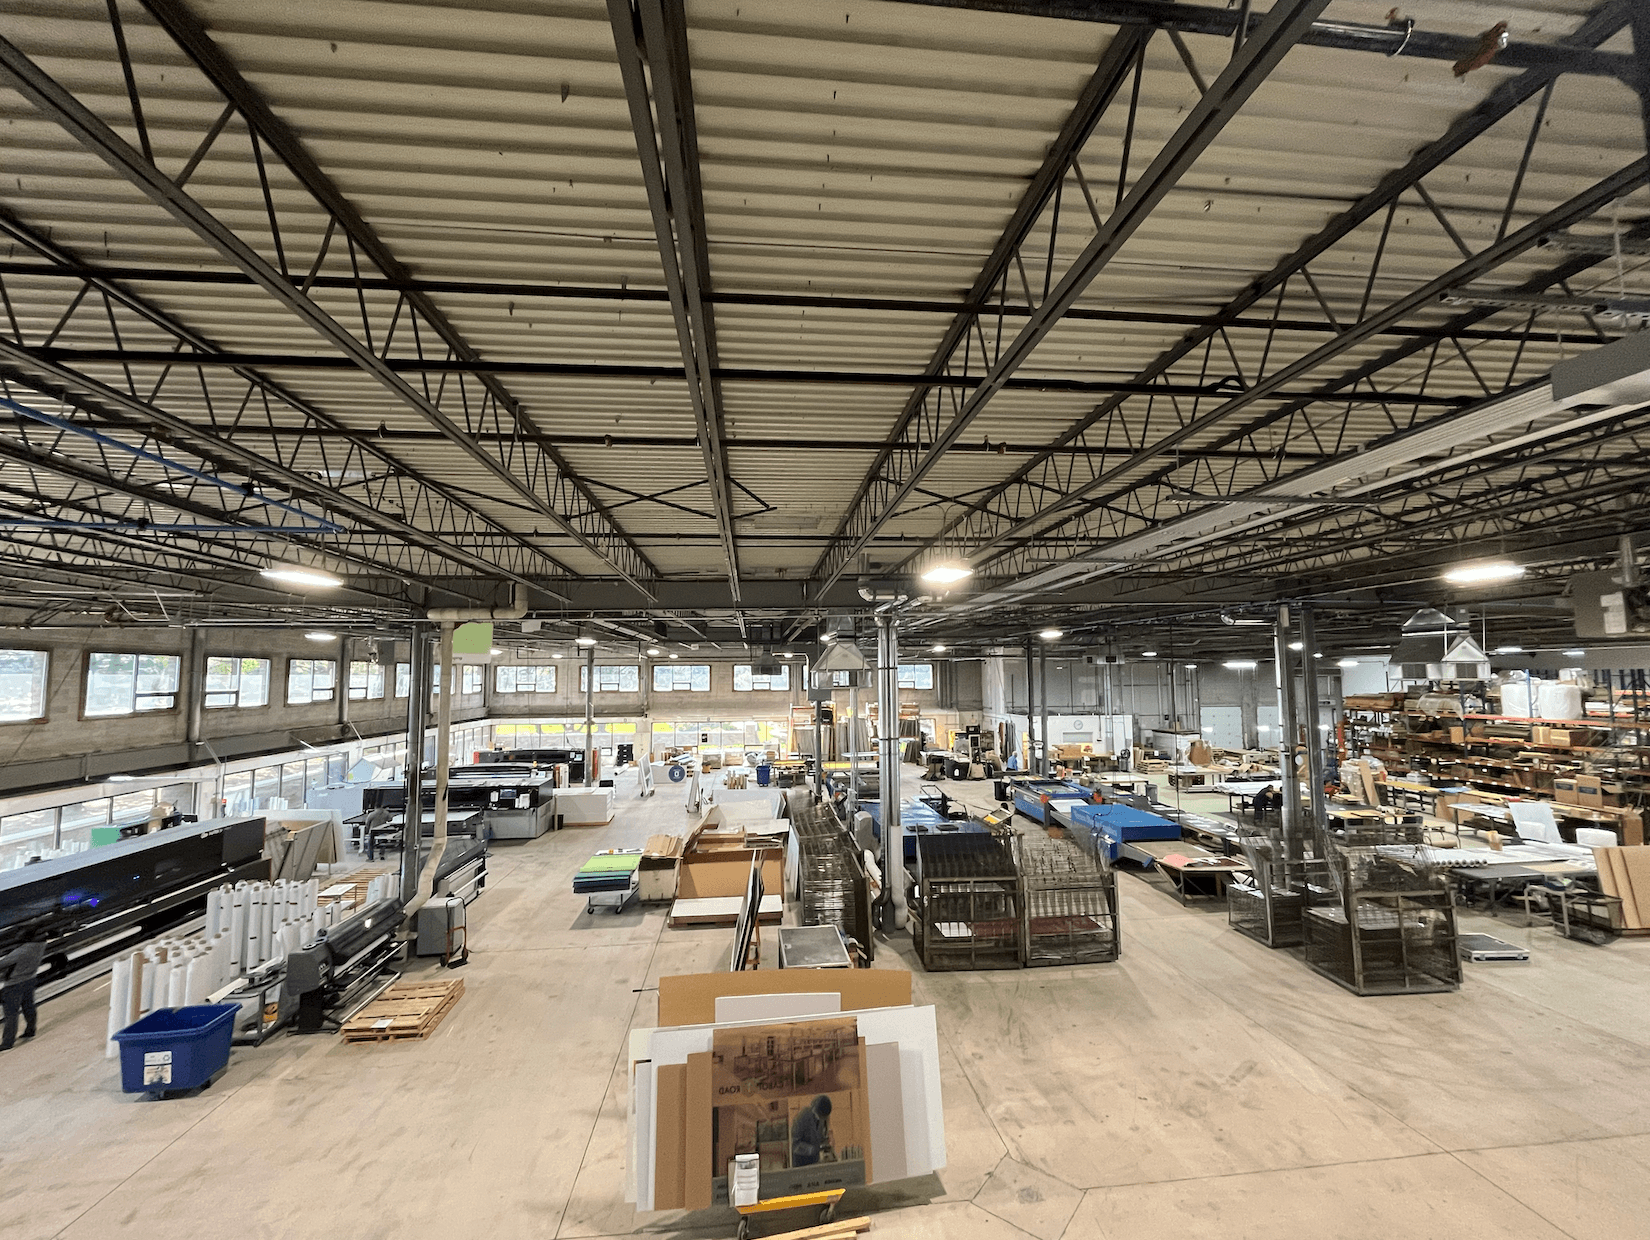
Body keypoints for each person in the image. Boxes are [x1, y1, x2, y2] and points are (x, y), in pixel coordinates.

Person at [0, 929, 45, 1051]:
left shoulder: (21, 951)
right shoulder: (40, 946)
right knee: (29, 1006)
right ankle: (30, 1030)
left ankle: (7, 1043)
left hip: (14, 984)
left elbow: (3, 963)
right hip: (30, 979)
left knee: (11, 1014)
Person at [790, 1095, 833, 1167]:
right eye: (822, 1117)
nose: (824, 1119)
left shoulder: (822, 1117)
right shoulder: (802, 1118)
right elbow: (795, 1145)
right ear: (815, 1110)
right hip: (801, 1162)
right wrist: (812, 1149)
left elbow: (820, 1135)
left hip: (815, 1160)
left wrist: (826, 1142)